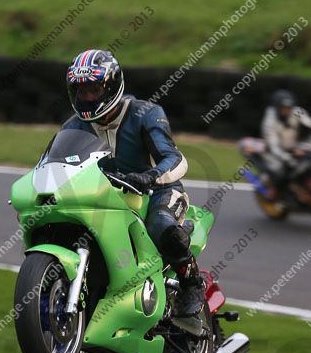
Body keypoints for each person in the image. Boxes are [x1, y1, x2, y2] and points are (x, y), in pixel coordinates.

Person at [62, 48, 205, 317]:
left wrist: (149, 176)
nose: (86, 97)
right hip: (105, 197)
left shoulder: (145, 114)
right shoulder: (73, 126)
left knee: (162, 226)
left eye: (93, 90)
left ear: (112, 86)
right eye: (81, 91)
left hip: (157, 192)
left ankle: (191, 284)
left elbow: (175, 160)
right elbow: (56, 163)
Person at [261, 89, 311, 191]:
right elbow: (274, 147)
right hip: (276, 152)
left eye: (289, 108)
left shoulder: (297, 112)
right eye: (283, 108)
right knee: (281, 174)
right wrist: (288, 159)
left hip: (293, 147)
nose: (287, 111)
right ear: (277, 108)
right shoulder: (270, 121)